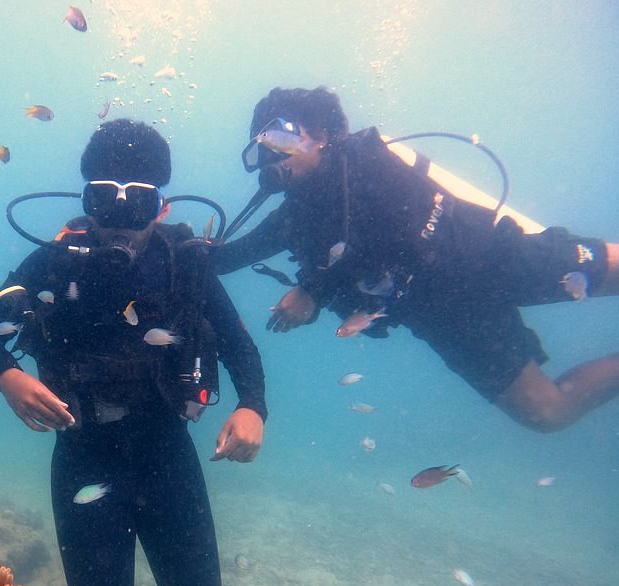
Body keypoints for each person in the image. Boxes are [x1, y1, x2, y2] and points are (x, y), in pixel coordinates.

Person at [0, 119, 267, 586]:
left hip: (166, 455)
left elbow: (242, 349)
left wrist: (253, 409)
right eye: (106, 200)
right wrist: (9, 376)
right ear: (86, 203)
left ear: (162, 205)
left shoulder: (187, 265)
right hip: (83, 456)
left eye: (140, 203)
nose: (122, 221)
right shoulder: (50, 264)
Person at [215, 86, 619, 432]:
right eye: (261, 151)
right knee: (546, 413)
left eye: (279, 141)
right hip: (444, 316)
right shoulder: (291, 218)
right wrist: (164, 232)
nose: (271, 159)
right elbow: (230, 257)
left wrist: (313, 289)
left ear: (319, 133)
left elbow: (397, 230)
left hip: (488, 255)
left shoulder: (364, 159)